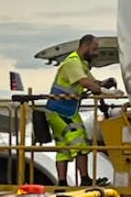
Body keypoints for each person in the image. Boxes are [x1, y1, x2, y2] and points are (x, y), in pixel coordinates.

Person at [45, 34, 117, 186]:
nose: (96, 53)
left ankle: (63, 182)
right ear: (85, 46)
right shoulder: (72, 63)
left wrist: (104, 83)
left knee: (64, 149)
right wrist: (105, 92)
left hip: (62, 110)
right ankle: (84, 179)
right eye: (94, 49)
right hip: (61, 110)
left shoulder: (81, 64)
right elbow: (84, 82)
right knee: (81, 143)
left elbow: (92, 82)